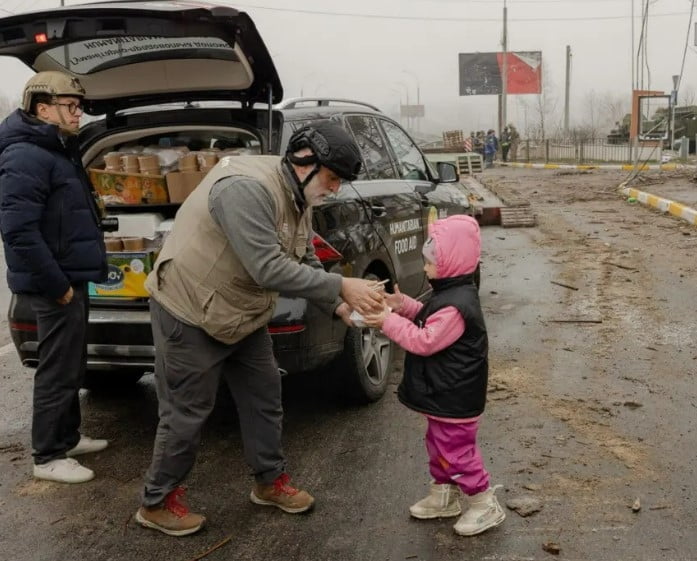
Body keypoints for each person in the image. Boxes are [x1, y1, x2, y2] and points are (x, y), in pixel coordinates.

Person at [135, 120, 385, 536]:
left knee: (264, 396)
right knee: (187, 412)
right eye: (333, 178)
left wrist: (339, 305)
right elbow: (267, 266)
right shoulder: (245, 190)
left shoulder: (298, 194)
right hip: (190, 309)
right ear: (305, 161)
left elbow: (302, 256)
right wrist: (342, 283)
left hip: (242, 311)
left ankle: (270, 483)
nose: (335, 189)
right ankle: (157, 501)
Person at [362, 215, 505, 537]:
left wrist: (386, 320)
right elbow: (428, 318)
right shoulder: (449, 294)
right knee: (438, 446)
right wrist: (402, 306)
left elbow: (424, 341)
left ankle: (483, 502)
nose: (425, 269)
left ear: (451, 263)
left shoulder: (456, 306)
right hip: (443, 394)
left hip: (455, 396)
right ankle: (444, 495)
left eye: (430, 263)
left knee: (457, 452)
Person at [0, 72, 109, 484]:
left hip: (69, 276)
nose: (78, 113)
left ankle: (68, 436)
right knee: (56, 368)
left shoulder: (56, 148)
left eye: (78, 105)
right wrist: (57, 284)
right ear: (42, 108)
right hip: (55, 283)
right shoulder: (26, 155)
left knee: (71, 362)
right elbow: (18, 231)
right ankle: (47, 456)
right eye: (70, 105)